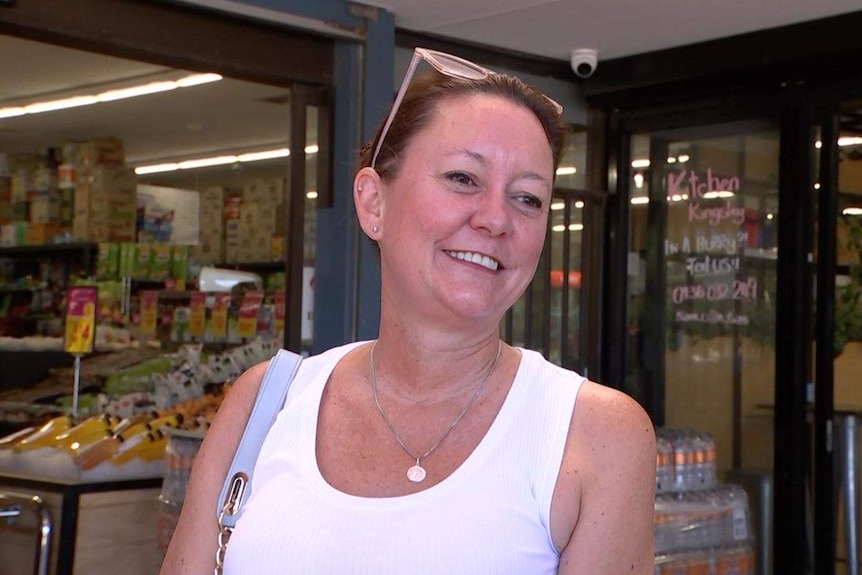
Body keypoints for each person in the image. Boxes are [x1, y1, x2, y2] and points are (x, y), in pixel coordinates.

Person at [160, 47, 656, 574]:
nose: (495, 219)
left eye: (528, 199)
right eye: (464, 178)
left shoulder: (593, 434)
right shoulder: (267, 403)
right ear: (374, 202)